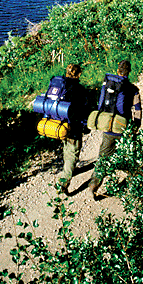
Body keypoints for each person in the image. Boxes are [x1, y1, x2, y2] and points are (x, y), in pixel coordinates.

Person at [88, 59, 142, 200]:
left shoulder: (108, 84)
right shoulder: (132, 89)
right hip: (123, 128)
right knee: (130, 157)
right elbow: (137, 110)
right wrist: (135, 127)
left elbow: (101, 104)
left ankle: (94, 185)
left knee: (103, 158)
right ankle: (133, 178)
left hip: (107, 128)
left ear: (118, 71)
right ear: (129, 72)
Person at [57, 63, 89, 195]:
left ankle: (67, 169)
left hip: (60, 124)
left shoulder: (61, 85)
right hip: (73, 126)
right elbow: (84, 108)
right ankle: (63, 183)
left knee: (66, 149)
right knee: (73, 154)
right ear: (78, 74)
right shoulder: (79, 89)